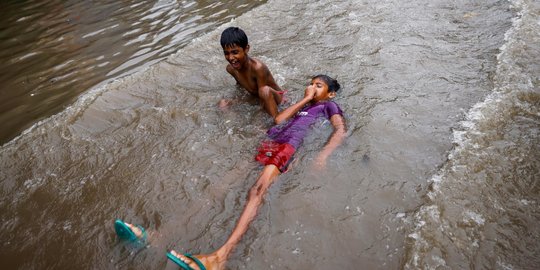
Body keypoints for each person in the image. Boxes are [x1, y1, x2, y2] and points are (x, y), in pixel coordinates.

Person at [116, 75, 346, 270]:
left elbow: (339, 131)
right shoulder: (304, 105)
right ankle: (157, 236)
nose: (312, 87)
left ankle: (221, 257)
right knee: (222, 185)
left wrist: (322, 156)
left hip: (289, 148)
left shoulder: (329, 106)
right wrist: (304, 99)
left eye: (318, 85)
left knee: (257, 190)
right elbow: (278, 119)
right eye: (311, 83)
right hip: (272, 142)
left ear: (330, 94)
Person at [219, 27, 286, 120]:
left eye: (235, 52)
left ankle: (276, 122)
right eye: (226, 53)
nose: (231, 58)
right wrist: (237, 101)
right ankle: (230, 124)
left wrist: (259, 119)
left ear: (246, 49)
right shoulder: (231, 69)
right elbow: (240, 87)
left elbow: (264, 96)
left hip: (276, 98)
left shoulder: (258, 68)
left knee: (264, 91)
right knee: (223, 103)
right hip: (257, 97)